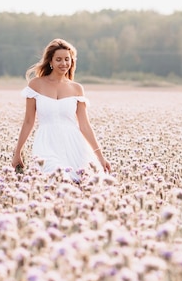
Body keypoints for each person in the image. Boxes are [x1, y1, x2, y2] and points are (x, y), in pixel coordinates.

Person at [12, 38, 111, 180]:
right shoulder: (36, 85)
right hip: (46, 143)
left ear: (72, 61)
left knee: (84, 185)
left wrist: (100, 156)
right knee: (54, 178)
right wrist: (17, 152)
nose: (63, 63)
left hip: (75, 145)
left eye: (67, 59)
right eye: (58, 59)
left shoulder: (77, 88)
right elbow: (28, 121)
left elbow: (85, 126)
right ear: (50, 61)